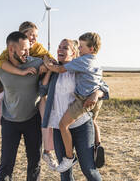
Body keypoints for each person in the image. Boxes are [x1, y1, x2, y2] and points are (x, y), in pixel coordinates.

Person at [0, 21, 57, 170]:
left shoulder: (38, 49)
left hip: (35, 99)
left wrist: (47, 64)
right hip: (11, 98)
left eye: (36, 36)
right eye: (31, 35)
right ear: (21, 35)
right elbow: (0, 64)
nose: (34, 39)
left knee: (47, 114)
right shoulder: (7, 54)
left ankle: (48, 151)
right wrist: (20, 74)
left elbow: (51, 61)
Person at [40, 38, 109, 180]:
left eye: (65, 47)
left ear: (73, 53)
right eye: (59, 46)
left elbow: (104, 88)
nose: (60, 49)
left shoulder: (80, 69)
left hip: (82, 125)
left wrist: (96, 94)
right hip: (59, 128)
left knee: (88, 169)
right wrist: (49, 70)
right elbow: (42, 91)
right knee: (65, 173)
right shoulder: (54, 72)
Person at [0, 31, 43, 180]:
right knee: (6, 164)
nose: (28, 53)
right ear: (11, 49)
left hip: (32, 120)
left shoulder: (36, 63)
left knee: (35, 162)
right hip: (9, 122)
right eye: (23, 50)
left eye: (29, 49)